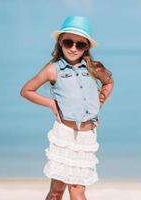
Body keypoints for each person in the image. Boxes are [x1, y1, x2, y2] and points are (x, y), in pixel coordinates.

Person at [20, 16, 114, 200]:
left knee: (77, 190)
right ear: (60, 43)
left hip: (87, 138)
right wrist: (50, 103)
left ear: (86, 47)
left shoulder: (94, 68)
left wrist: (99, 102)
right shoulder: (52, 69)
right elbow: (26, 90)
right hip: (64, 135)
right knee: (56, 191)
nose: (73, 48)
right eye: (68, 42)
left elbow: (109, 82)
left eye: (80, 45)